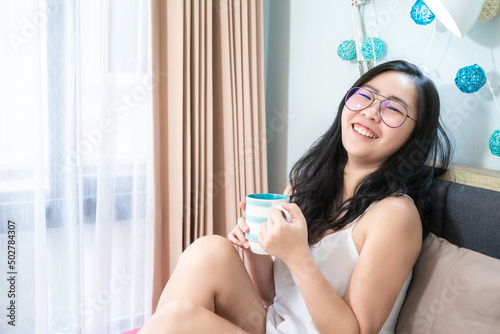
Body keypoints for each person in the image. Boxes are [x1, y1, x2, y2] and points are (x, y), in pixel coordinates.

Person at [139, 60, 452, 334]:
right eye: (364, 96)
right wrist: (258, 246)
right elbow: (272, 294)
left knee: (177, 319)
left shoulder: (394, 214)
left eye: (393, 109)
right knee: (210, 250)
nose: (370, 112)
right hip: (278, 325)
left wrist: (299, 257)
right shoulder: (305, 185)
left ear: (415, 135)